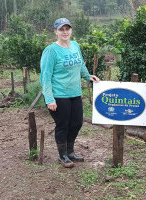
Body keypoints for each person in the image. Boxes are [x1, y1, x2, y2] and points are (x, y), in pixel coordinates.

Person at [40, 18, 99, 168]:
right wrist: (49, 98)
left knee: (77, 123)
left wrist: (87, 76)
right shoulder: (51, 50)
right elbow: (45, 76)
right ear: (56, 32)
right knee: (63, 125)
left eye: (67, 29)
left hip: (75, 93)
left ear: (71, 30)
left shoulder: (75, 45)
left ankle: (70, 151)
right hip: (59, 95)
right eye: (61, 29)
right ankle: (62, 155)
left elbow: (80, 65)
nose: (65, 32)